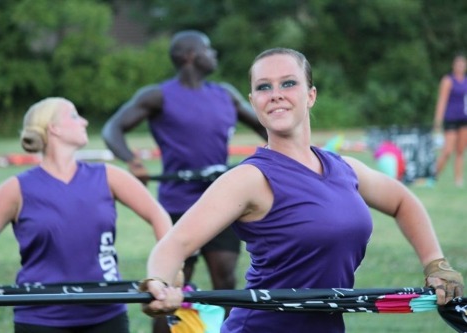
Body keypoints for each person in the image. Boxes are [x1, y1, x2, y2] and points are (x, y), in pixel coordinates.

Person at [138, 48, 464, 333]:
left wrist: (435, 263)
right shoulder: (250, 178)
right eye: (264, 87)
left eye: (288, 83)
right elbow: (175, 244)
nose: (276, 93)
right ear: (254, 103)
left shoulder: (345, 169)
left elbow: (403, 201)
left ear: (310, 95)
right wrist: (159, 283)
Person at [102, 29, 267, 332]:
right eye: (208, 49)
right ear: (189, 56)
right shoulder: (158, 96)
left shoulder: (225, 94)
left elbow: (266, 128)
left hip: (224, 203)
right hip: (179, 206)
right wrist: (132, 160)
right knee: (170, 289)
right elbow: (113, 128)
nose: (214, 54)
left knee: (226, 281)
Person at [0, 97, 172, 333]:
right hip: (40, 317)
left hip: (105, 313)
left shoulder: (108, 176)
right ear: (53, 128)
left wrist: (165, 274)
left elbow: (159, 216)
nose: (84, 121)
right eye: (74, 115)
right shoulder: (15, 189)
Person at [433, 53, 467, 187]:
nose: (460, 66)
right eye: (458, 64)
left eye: (462, 64)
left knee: (460, 151)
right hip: (451, 119)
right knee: (447, 150)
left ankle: (458, 180)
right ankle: (433, 176)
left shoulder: (465, 81)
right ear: (454, 65)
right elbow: (442, 100)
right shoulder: (448, 80)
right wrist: (438, 120)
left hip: (464, 119)